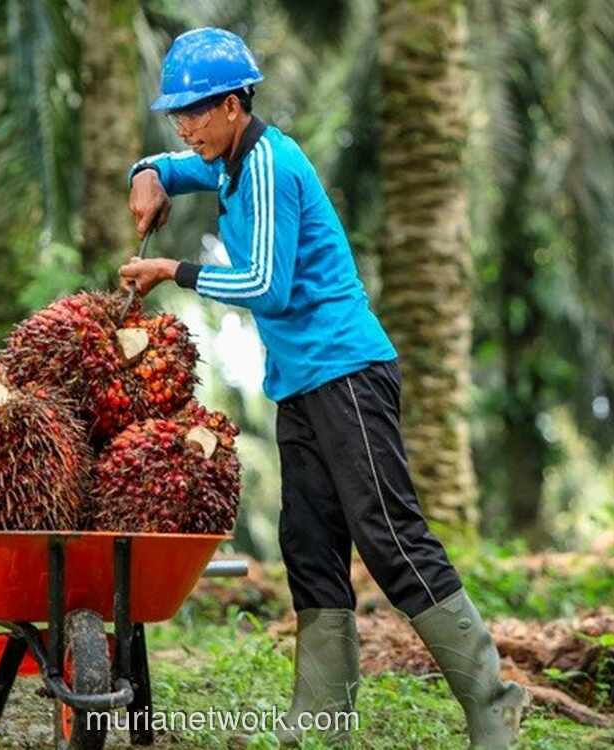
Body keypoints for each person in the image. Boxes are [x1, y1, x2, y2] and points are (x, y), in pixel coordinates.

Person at [119, 27, 529, 749]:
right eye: (177, 113)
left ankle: (493, 703)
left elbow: (265, 288)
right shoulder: (227, 162)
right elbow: (168, 166)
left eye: (198, 111)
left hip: (347, 374)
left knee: (390, 540)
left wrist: (169, 271)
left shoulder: (271, 163)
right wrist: (144, 173)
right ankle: (321, 723)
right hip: (301, 386)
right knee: (309, 544)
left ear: (236, 105)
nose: (187, 125)